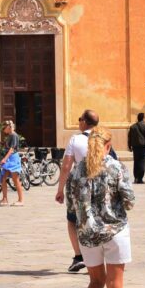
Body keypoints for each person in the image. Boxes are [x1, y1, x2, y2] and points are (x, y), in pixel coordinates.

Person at [66, 127, 134, 288]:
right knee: (115, 284)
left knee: (96, 282)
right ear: (108, 146)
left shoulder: (76, 171)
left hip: (87, 233)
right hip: (115, 230)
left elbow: (71, 207)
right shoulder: (117, 167)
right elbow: (129, 201)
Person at [57, 109, 100, 273]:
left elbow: (66, 166)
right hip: (100, 185)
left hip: (79, 186)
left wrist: (60, 190)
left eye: (79, 119)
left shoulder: (75, 139)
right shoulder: (104, 138)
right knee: (97, 218)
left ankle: (79, 256)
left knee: (73, 220)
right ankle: (97, 258)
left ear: (84, 122)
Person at [0, 120, 25, 207]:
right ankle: (5, 199)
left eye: (4, 128)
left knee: (15, 180)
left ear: (8, 127)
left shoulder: (14, 135)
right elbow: (6, 145)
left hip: (13, 159)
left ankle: (21, 200)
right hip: (9, 159)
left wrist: (4, 159)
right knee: (4, 178)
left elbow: (12, 149)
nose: (3, 130)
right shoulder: (9, 136)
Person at [126, 113, 145, 184]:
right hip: (143, 147)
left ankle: (136, 177)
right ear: (143, 118)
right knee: (142, 162)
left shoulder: (132, 127)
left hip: (135, 147)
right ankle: (140, 178)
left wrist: (129, 146)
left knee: (136, 162)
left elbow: (129, 137)